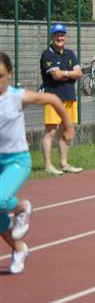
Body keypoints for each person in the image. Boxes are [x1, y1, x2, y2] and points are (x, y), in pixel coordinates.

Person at [1, 51, 75, 274]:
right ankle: (19, 249)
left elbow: (53, 99)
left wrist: (67, 125)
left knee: (0, 198)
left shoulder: (17, 96)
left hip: (17, 160)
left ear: (9, 74)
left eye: (0, 76)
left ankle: (21, 208)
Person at [39, 23, 83, 176]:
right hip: (53, 98)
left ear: (66, 37)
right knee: (51, 131)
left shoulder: (70, 53)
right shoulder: (47, 54)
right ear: (52, 37)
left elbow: (79, 73)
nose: (60, 38)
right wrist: (70, 73)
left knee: (66, 131)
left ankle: (64, 164)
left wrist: (65, 73)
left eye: (62, 35)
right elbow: (55, 75)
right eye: (57, 35)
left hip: (70, 97)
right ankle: (48, 165)